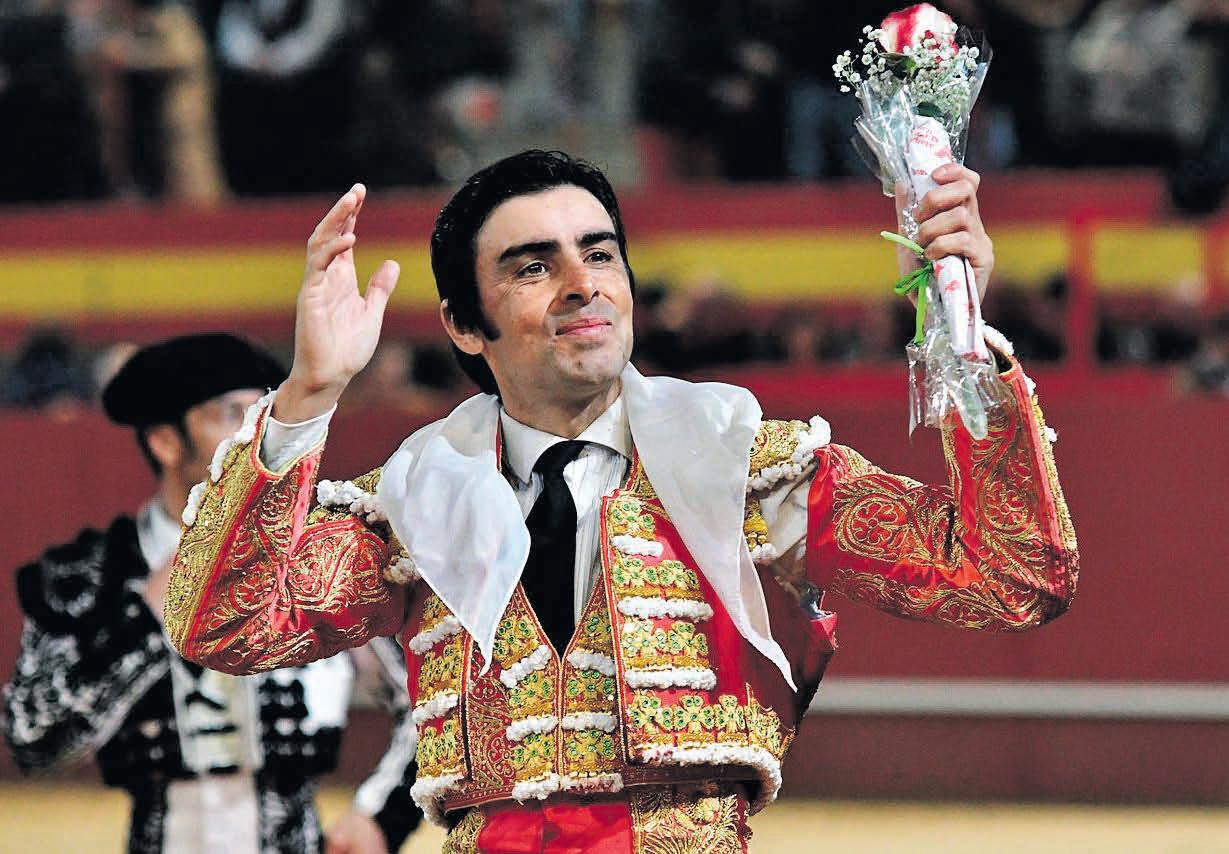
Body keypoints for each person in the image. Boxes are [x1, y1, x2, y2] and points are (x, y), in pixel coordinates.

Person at [164, 151, 1078, 851]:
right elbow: (226, 628)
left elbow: (1009, 578)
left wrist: (963, 339)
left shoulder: (746, 468)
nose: (582, 284)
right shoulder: (415, 502)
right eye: (532, 267)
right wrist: (308, 395)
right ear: (464, 325)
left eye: (599, 253)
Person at [3, 334, 422, 854]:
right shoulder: (89, 576)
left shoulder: (321, 551)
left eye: (262, 414)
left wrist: (382, 815)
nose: (252, 434)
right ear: (165, 442)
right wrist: (146, 615)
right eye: (228, 415)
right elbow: (32, 740)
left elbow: (433, 694)